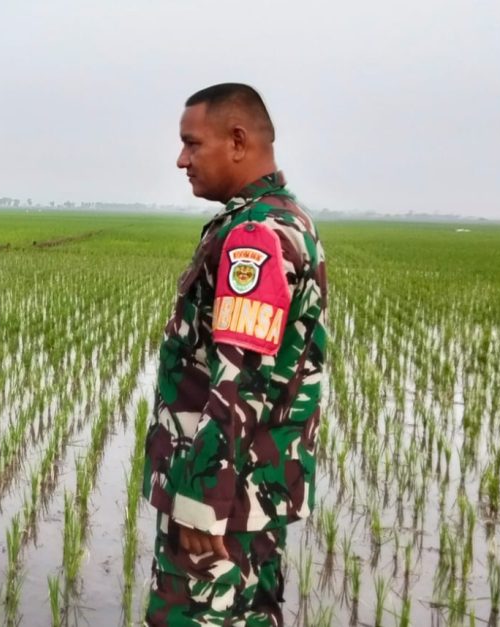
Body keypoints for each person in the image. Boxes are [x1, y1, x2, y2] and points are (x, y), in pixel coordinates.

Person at [142, 83, 329, 626]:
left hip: (223, 502)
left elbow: (240, 378)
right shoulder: (280, 219)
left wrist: (203, 498)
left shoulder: (256, 235)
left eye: (192, 143)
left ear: (238, 140)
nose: (182, 160)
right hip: (249, 494)